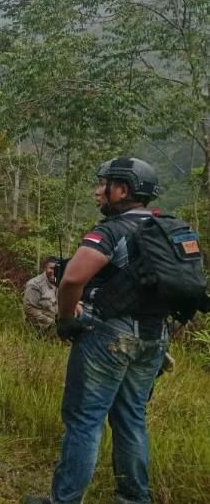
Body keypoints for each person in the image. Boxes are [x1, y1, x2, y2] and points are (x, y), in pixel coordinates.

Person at [24, 157, 191, 504]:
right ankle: (133, 499)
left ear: (123, 190)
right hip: (153, 338)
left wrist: (67, 319)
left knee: (85, 421)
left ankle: (64, 500)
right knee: (131, 419)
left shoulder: (110, 231)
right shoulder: (165, 228)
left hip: (109, 338)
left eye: (105, 184)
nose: (98, 191)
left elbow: (72, 279)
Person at [23, 257, 59, 335]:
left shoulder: (58, 282)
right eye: (51, 268)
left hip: (55, 324)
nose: (53, 271)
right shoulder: (35, 284)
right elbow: (29, 309)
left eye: (56, 269)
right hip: (39, 325)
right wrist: (50, 323)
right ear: (45, 268)